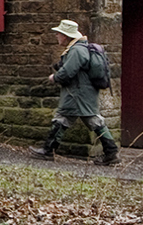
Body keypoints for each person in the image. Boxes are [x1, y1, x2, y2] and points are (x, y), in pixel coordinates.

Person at [30, 19, 120, 166]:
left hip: (76, 93)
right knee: (92, 121)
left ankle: (47, 151)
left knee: (63, 119)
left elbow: (68, 71)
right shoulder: (79, 48)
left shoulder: (77, 50)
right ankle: (111, 153)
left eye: (58, 34)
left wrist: (55, 77)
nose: (56, 36)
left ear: (65, 36)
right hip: (83, 93)